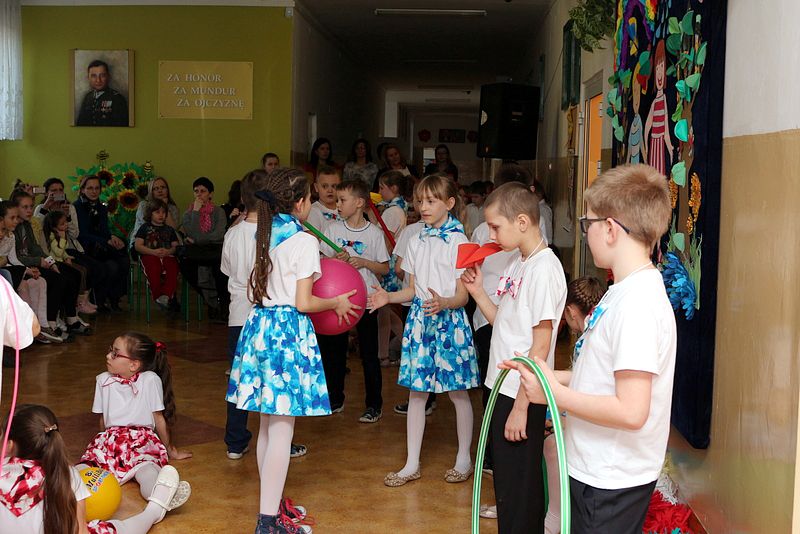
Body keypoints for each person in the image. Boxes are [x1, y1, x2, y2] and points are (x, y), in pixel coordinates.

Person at [501, 164, 676, 534]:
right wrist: (552, 376)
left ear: (610, 229)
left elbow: (631, 411)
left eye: (588, 223)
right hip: (596, 468)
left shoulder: (638, 305)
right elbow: (602, 372)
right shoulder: (621, 291)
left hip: (610, 477)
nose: (586, 232)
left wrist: (553, 394)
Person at [226, 167, 360, 534]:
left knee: (266, 426)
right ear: (300, 203)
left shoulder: (261, 231)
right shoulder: (302, 240)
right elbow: (303, 302)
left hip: (259, 327)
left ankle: (271, 505)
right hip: (286, 333)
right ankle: (268, 522)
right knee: (282, 429)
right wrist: (335, 303)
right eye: (311, 198)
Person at [461, 182, 567, 533]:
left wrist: (522, 406)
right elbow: (504, 323)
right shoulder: (517, 262)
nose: (490, 235)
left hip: (521, 392)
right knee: (508, 484)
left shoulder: (544, 269)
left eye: (495, 227)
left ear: (522, 221)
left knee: (520, 487)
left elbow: (540, 346)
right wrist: (478, 292)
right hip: (501, 385)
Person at [368, 173, 478, 487]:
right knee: (417, 393)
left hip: (450, 322)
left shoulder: (460, 242)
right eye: (420, 201)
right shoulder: (416, 239)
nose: (424, 207)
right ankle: (411, 463)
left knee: (458, 392)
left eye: (431, 201)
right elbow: (412, 289)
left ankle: (464, 459)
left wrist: (445, 302)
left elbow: (463, 296)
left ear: (450, 203)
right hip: (420, 322)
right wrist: (388, 297)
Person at [221, 169, 308, 462]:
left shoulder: (233, 233)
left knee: (242, 381)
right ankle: (278, 444)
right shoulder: (277, 235)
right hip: (266, 317)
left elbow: (228, 271)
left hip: (238, 316)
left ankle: (236, 441)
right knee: (272, 385)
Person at [0, 404, 185, 533]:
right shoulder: (67, 473)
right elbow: (81, 531)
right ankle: (153, 511)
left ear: (9, 444)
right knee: (114, 529)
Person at [76, 332, 193, 519]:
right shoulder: (102, 380)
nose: (108, 356)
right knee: (86, 468)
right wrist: (102, 442)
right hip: (122, 440)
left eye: (115, 353)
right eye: (110, 351)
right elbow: (103, 420)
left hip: (134, 440)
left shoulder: (150, 379)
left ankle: (161, 497)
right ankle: (65, 489)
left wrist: (170, 449)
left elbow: (158, 418)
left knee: (145, 472)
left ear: (134, 365)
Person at [540, 276, 606, 534]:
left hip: (591, 416)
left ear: (569, 311)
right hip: (581, 406)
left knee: (551, 444)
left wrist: (563, 418)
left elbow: (590, 385)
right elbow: (580, 376)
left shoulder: (591, 340)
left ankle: (555, 516)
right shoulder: (589, 335)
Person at [320, 180, 390, 423]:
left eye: (342, 200)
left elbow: (384, 268)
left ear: (359, 202)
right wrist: (335, 260)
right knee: (335, 351)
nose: (338, 204)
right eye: (337, 200)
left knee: (369, 354)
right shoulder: (332, 229)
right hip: (338, 300)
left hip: (368, 299)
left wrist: (363, 262)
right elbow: (322, 261)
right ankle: (335, 398)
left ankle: (374, 405)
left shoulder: (374, 233)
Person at [13, 191, 92, 338]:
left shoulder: (26, 225)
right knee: (58, 280)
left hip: (36, 262)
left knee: (74, 274)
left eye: (31, 206)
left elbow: (35, 248)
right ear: (15, 208)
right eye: (25, 207)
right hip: (25, 266)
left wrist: (51, 262)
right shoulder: (14, 228)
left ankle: (72, 318)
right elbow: (17, 257)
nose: (29, 210)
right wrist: (39, 261)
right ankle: (51, 322)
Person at [73, 175, 129, 312]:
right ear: (82, 190)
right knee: (111, 266)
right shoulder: (76, 207)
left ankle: (115, 298)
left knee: (123, 260)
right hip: (85, 248)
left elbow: (104, 230)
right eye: (90, 188)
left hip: (101, 246)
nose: (94, 191)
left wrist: (112, 237)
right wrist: (105, 240)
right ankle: (100, 300)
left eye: (97, 188)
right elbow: (82, 233)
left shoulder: (101, 207)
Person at [0, 201, 54, 344]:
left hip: (10, 269)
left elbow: (13, 259)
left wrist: (28, 270)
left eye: (17, 217)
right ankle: (27, 326)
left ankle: (41, 324)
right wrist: (23, 270)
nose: (16, 221)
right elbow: (5, 262)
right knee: (22, 282)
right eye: (12, 218)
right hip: (5, 273)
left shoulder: (11, 236)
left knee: (39, 281)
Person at [178, 177, 229, 319]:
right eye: (196, 191)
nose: (199, 194)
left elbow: (218, 235)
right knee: (185, 265)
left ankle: (222, 305)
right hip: (197, 251)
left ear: (210, 194)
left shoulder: (218, 212)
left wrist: (197, 239)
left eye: (203, 191)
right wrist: (196, 212)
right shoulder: (188, 214)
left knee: (221, 270)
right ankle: (210, 301)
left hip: (215, 249)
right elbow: (191, 232)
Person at [374, 170, 408, 367]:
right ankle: (392, 348)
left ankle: (385, 353)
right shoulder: (397, 207)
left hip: (388, 261)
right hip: (391, 260)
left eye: (382, 188)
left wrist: (380, 265)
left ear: (393, 188)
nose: (379, 192)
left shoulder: (392, 211)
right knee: (385, 310)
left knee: (384, 310)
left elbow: (386, 242)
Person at [42, 210, 95, 315]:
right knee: (78, 273)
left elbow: (64, 251)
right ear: (54, 227)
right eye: (62, 224)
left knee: (83, 270)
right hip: (56, 262)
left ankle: (83, 298)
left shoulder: (61, 234)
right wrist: (62, 239)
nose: (66, 224)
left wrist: (67, 257)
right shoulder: (52, 236)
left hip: (62, 260)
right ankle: (79, 301)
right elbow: (58, 251)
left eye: (66, 222)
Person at [133, 200, 180, 310]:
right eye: (157, 212)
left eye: (163, 212)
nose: (161, 215)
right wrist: (153, 252)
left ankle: (166, 295)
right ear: (150, 214)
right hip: (150, 255)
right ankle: (158, 295)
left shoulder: (169, 229)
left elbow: (176, 246)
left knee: (173, 268)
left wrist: (168, 252)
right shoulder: (144, 227)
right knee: (153, 268)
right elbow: (138, 246)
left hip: (167, 256)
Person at [129, 177, 181, 252]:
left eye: (163, 187)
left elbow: (173, 229)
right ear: (151, 191)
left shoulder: (173, 208)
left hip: (166, 243)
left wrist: (165, 206)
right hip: (143, 241)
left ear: (167, 190)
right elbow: (147, 227)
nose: (160, 190)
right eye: (156, 188)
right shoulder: (144, 205)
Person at [76, 59, 129, 127]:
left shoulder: (117, 99)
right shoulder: (87, 97)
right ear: (88, 78)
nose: (98, 80)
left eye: (102, 75)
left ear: (108, 77)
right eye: (94, 76)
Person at [305, 165, 341, 233]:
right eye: (325, 186)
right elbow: (312, 238)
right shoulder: (312, 211)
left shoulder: (346, 209)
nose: (330, 190)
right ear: (316, 187)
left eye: (334, 186)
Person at [532, 179, 554, 245]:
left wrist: (548, 243)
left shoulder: (542, 209)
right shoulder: (539, 208)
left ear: (538, 194)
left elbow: (548, 229)